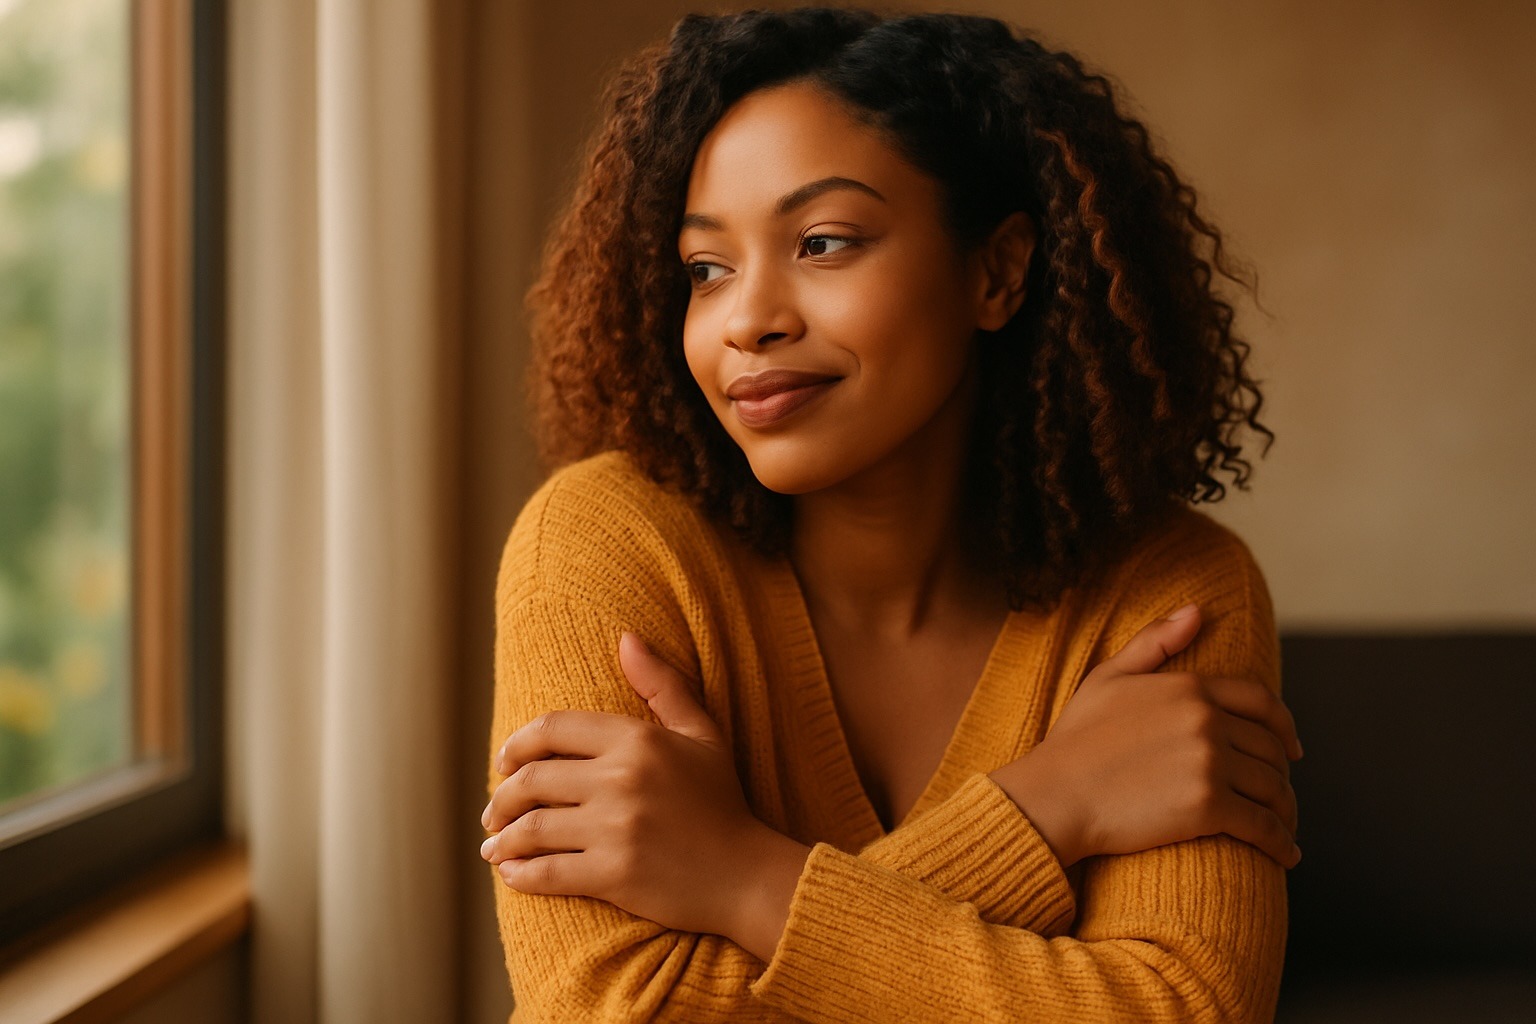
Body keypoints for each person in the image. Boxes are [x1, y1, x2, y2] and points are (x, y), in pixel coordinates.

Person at [478, 8, 1302, 1022]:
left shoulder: (1170, 592)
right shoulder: (607, 544)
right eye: (707, 269)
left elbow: (1185, 1011)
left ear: (996, 271)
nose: (748, 319)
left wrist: (738, 879)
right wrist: (1046, 810)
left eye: (822, 243)